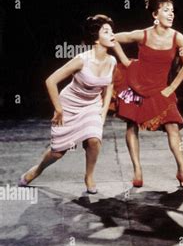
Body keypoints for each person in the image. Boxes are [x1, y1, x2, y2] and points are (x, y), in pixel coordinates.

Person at [19, 15, 117, 194]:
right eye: (106, 31)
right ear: (96, 37)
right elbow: (51, 81)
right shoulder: (82, 60)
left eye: (112, 30)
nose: (112, 34)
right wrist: (58, 109)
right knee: (57, 152)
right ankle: (38, 169)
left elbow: (109, 85)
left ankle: (89, 176)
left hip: (92, 105)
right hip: (69, 106)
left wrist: (104, 110)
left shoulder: (112, 61)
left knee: (94, 140)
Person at [112, 0, 183, 189]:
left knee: (173, 127)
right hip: (136, 85)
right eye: (166, 10)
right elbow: (113, 38)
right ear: (155, 15)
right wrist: (124, 61)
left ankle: (182, 170)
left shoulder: (178, 38)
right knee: (131, 125)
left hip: (160, 90)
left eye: (172, 11)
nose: (171, 14)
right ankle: (137, 170)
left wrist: (172, 88)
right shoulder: (143, 34)